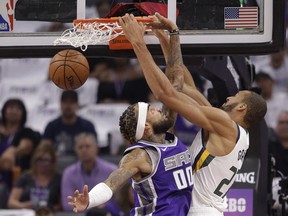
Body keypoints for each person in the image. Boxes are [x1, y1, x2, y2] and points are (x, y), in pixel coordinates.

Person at [119, 13, 267, 215]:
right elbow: (186, 85)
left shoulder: (225, 125)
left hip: (200, 211)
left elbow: (166, 94)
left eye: (235, 97)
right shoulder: (225, 128)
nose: (228, 98)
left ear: (242, 108)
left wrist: (138, 43)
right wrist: (166, 37)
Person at [67, 17, 193, 215]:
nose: (158, 109)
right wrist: (90, 199)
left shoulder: (166, 127)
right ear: (146, 128)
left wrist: (173, 34)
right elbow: (112, 182)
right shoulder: (139, 155)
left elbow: (175, 81)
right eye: (151, 111)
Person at [61, 132, 117, 213]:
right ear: (75, 150)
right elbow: (67, 205)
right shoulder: (68, 173)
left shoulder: (112, 170)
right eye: (80, 147)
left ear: (96, 148)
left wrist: (88, 205)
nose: (84, 150)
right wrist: (95, 206)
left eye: (88, 146)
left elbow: (119, 201)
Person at [41, 90, 97, 158]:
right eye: (65, 102)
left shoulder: (87, 126)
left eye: (71, 102)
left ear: (77, 105)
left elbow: (94, 149)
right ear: (60, 104)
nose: (68, 106)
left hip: (81, 162)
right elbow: (44, 149)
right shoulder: (51, 126)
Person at [7, 143, 61, 211]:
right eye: (40, 160)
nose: (43, 163)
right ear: (34, 160)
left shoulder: (58, 179)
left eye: (46, 160)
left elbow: (62, 204)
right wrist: (24, 206)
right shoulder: (26, 177)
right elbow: (11, 202)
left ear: (53, 162)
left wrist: (48, 208)